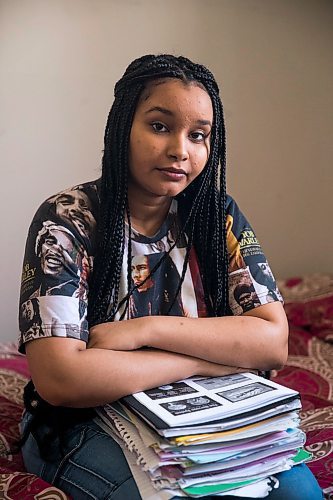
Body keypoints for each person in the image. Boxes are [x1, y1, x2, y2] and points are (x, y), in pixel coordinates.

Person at [18, 54, 322, 499]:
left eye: (198, 135)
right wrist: (206, 359)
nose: (181, 149)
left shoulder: (217, 217)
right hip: (87, 418)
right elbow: (61, 379)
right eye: (160, 126)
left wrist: (145, 330)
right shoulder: (67, 220)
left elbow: (272, 342)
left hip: (203, 413)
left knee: (300, 495)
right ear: (123, 127)